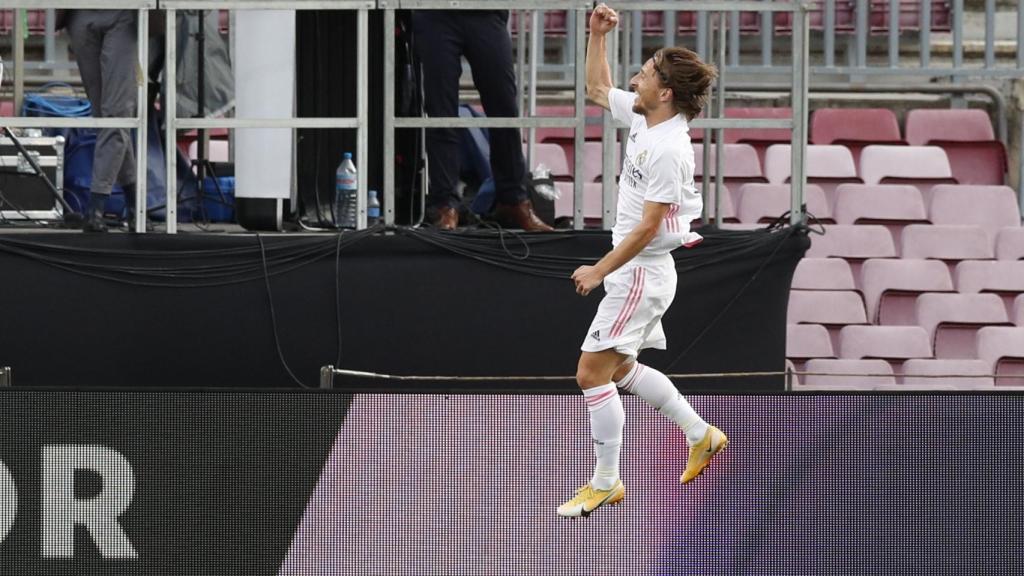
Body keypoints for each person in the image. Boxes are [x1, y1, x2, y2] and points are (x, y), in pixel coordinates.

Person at [556, 4, 727, 519]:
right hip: (639, 274)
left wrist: (599, 269)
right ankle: (701, 434)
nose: (637, 77)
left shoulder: (670, 149)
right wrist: (596, 36)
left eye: (647, 73)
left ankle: (606, 481)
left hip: (639, 273)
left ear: (666, 92)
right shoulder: (645, 114)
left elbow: (649, 227)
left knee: (591, 373)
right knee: (622, 367)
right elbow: (595, 89)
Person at [411, 10, 552, 231]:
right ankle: (445, 205)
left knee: (504, 109)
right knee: (441, 113)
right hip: (436, 12)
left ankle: (514, 200)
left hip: (486, 11)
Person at [63, 10, 138, 233]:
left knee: (115, 115)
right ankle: (134, 203)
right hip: (80, 11)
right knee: (107, 118)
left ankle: (95, 207)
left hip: (124, 12)